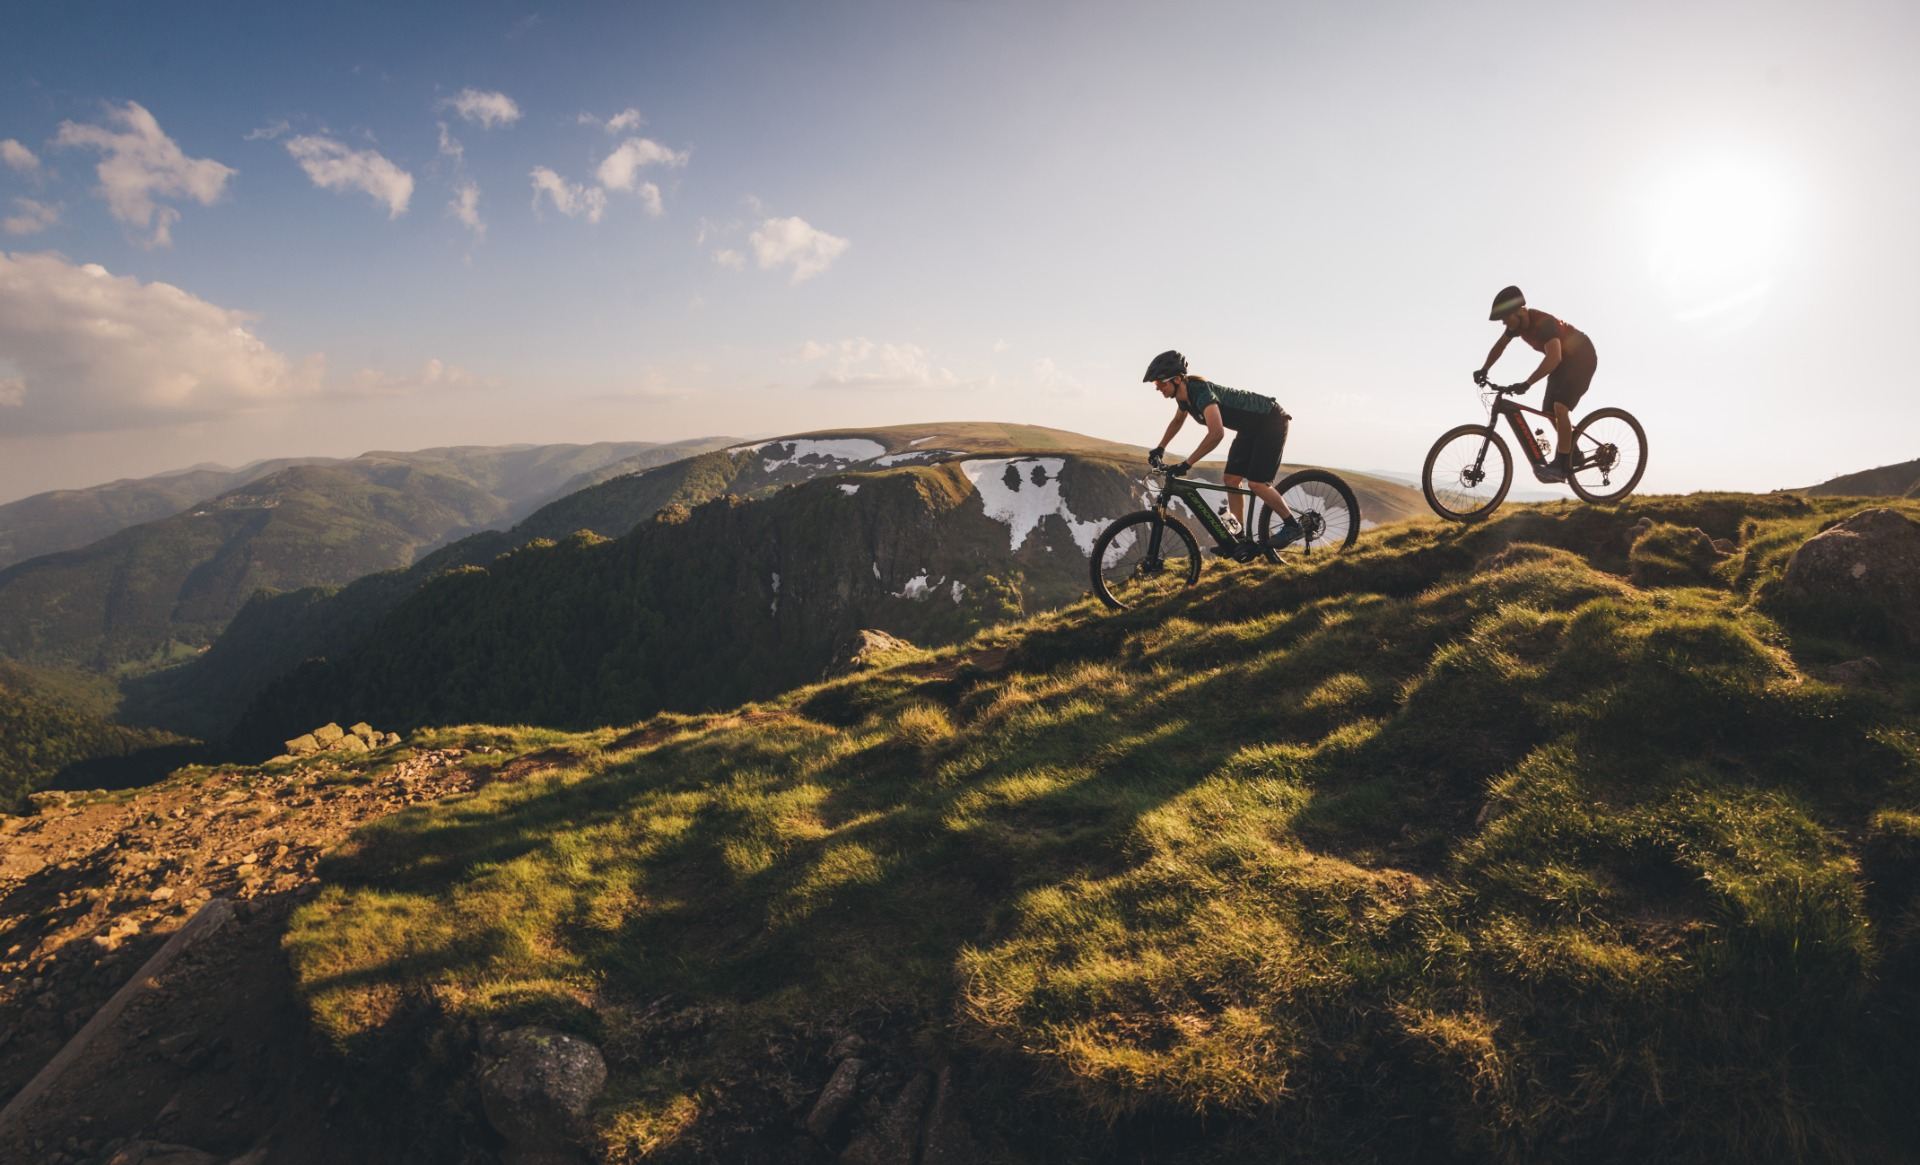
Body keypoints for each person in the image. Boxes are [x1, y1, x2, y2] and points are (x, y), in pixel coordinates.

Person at [1142, 350, 1303, 552]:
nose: (1158, 389)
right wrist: (1160, 447)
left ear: (1176, 380)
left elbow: (1216, 434)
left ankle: (1292, 526)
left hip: (1270, 419)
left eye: (1160, 383)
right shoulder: (1183, 397)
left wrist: (1187, 463)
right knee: (1231, 480)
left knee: (1256, 483)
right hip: (1250, 428)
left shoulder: (1201, 393)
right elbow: (1177, 422)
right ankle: (1240, 539)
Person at [1474, 285, 1598, 482]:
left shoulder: (1544, 324)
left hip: (1582, 358)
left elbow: (1554, 357)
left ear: (1520, 311)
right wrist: (1484, 369)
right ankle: (1574, 452)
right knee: (1548, 410)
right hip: (1563, 362)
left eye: (1506, 317)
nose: (1504, 323)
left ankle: (1562, 465)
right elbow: (1500, 346)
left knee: (1560, 407)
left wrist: (1527, 383)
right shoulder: (1517, 326)